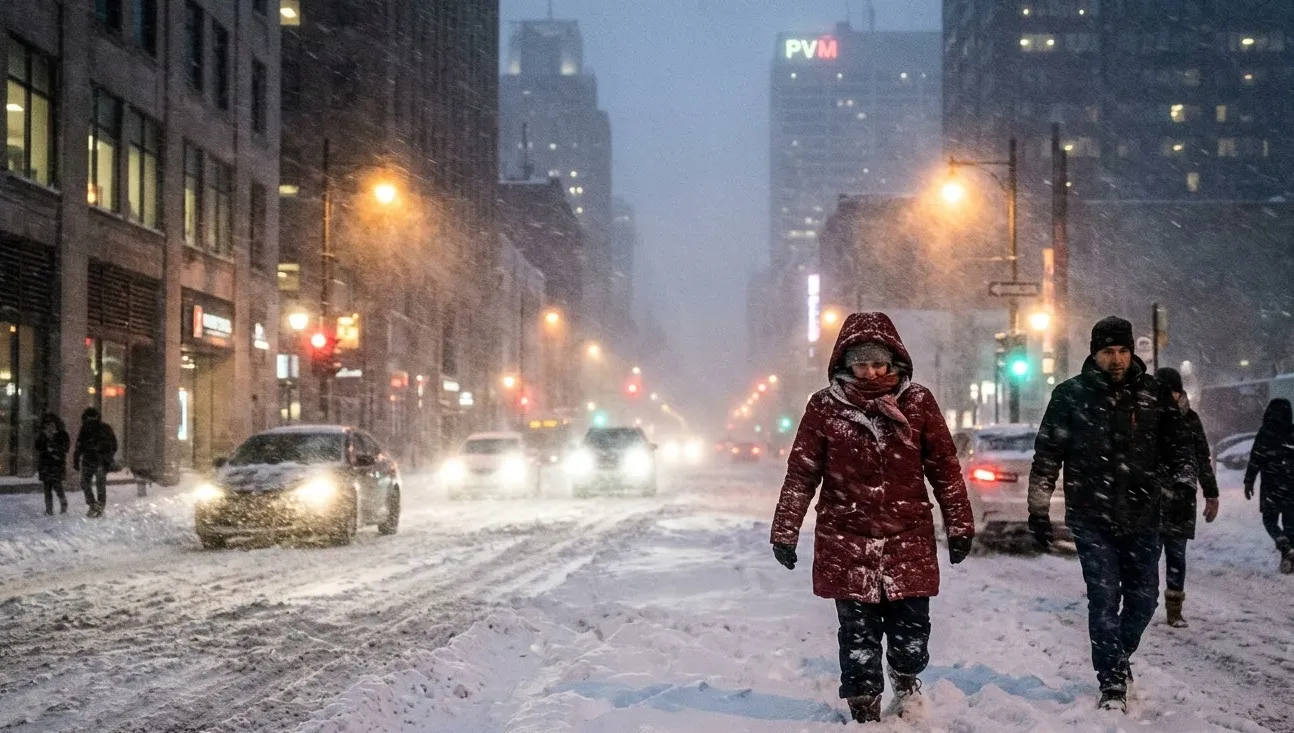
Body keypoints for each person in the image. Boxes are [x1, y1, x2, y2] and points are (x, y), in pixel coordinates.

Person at [770, 312, 975, 724]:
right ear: (845, 364)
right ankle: (864, 711)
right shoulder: (824, 407)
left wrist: (960, 525)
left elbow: (945, 468)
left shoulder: (918, 403)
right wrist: (785, 530)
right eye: (861, 363)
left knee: (910, 638)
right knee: (858, 639)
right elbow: (802, 472)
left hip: (908, 537)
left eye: (878, 362)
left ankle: (905, 678)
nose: (870, 371)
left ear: (894, 361)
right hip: (846, 539)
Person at [1028, 316, 1193, 712]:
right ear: (1094, 353)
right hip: (1091, 515)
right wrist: (1038, 508)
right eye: (1108, 352)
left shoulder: (1153, 394)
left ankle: (1117, 656)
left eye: (1122, 351)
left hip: (1143, 514)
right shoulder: (1070, 396)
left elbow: (1179, 447)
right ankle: (1112, 683)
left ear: (1131, 352)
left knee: (1144, 600)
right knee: (1103, 598)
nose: (1117, 359)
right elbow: (1048, 454)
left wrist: (1183, 486)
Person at [1154, 367, 1220, 627]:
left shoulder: (1190, 419)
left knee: (1176, 554)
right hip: (1152, 497)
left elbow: (1202, 458)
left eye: (1173, 391)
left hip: (1181, 496)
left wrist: (1211, 493)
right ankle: (1142, 605)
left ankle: (1174, 609)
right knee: (1147, 556)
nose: (1170, 396)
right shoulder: (1147, 418)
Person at [1244, 398, 1294, 574]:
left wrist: (1249, 481)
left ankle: (1285, 548)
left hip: (1271, 485)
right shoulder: (1292, 432)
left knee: (1269, 520)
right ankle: (1288, 556)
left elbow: (1255, 459)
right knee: (1290, 523)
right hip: (1290, 486)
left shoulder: (1265, 433)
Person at [73, 407, 118, 518]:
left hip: (97, 461)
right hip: (93, 460)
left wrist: (77, 458)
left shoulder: (101, 428)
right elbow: (114, 445)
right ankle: (96, 506)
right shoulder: (94, 428)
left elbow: (79, 446)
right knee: (93, 484)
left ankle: (96, 506)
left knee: (92, 484)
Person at [35, 413, 71, 516]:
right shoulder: (42, 435)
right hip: (45, 464)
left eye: (51, 424)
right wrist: (45, 439)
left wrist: (54, 448)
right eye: (47, 424)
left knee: (57, 486)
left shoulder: (62, 434)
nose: (49, 426)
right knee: (47, 488)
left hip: (56, 464)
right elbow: (38, 447)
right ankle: (49, 509)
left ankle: (63, 503)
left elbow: (65, 448)